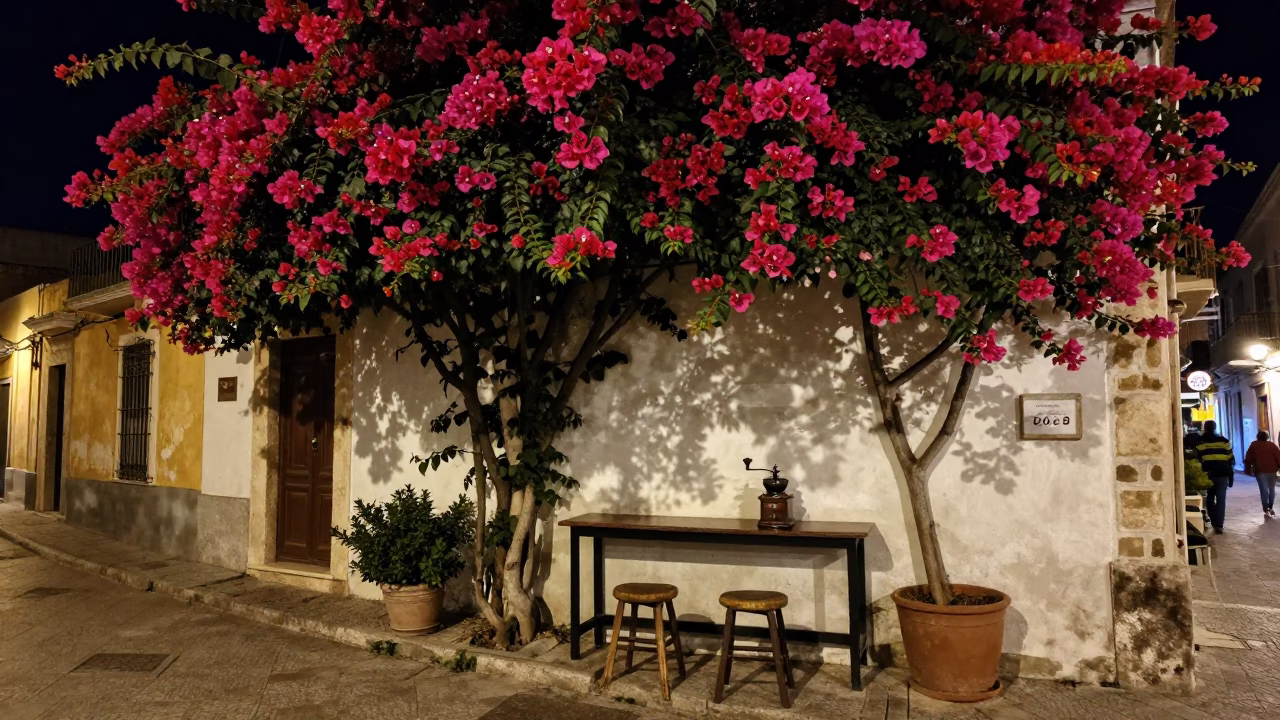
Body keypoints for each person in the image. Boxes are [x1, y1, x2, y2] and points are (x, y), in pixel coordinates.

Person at [1197, 421, 1235, 534]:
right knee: (1221, 499)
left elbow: (1199, 459)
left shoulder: (1201, 442)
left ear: (1204, 428)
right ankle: (1219, 524)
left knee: (1209, 497)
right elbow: (1231, 459)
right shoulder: (1224, 441)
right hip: (1223, 473)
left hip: (1209, 474)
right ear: (1215, 427)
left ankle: (1214, 521)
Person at [1244, 430, 1280, 518]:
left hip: (1260, 471)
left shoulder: (1254, 445)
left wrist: (1248, 469)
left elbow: (1248, 458)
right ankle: (1270, 506)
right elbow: (1278, 457)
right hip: (1272, 470)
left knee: (1263, 490)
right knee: (1272, 489)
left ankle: (1266, 508)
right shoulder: (1272, 445)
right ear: (1267, 437)